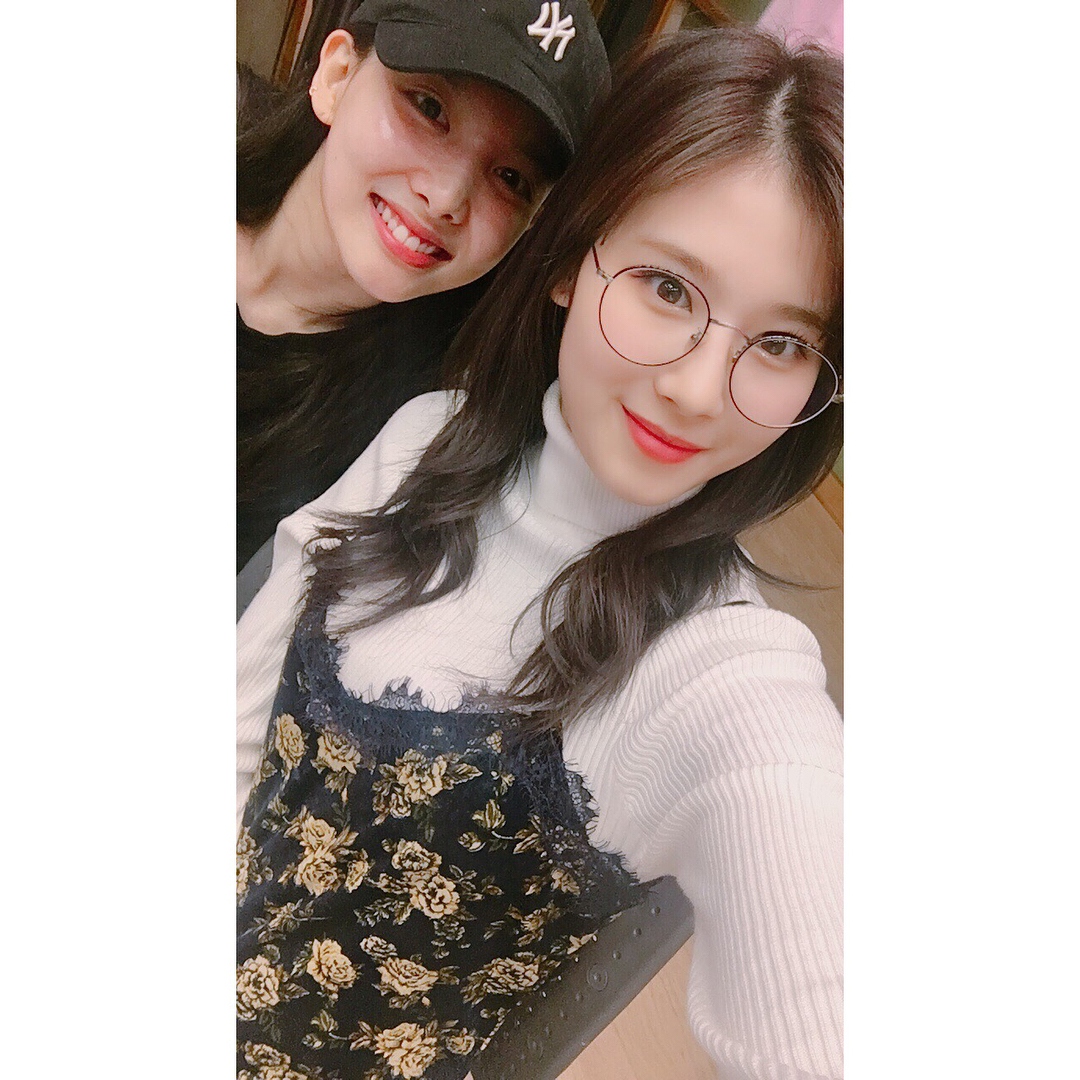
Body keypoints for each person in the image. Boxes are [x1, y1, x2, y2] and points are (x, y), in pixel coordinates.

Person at [237, 25, 843, 1080]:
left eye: (781, 343)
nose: (698, 391)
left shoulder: (719, 674)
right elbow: (238, 716)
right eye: (667, 287)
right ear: (568, 258)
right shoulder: (424, 437)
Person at [237, 0, 610, 568]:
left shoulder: (413, 444)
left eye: (511, 178)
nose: (445, 197)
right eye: (429, 108)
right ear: (337, 75)